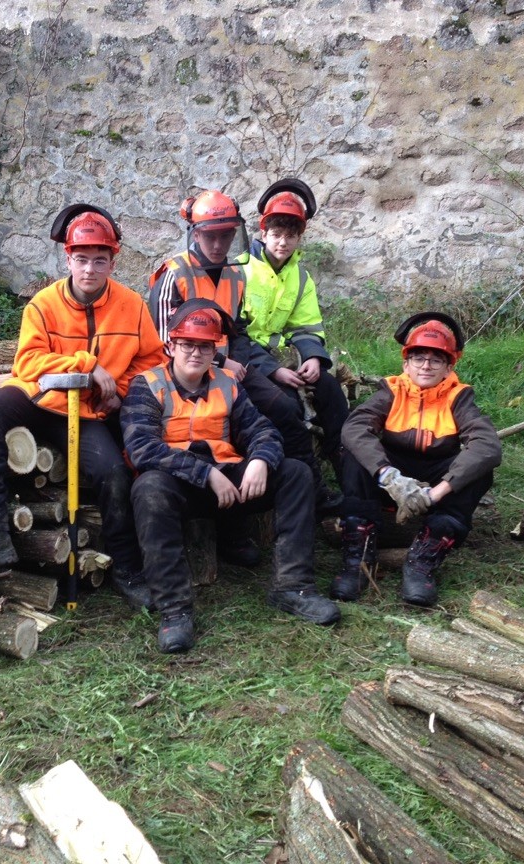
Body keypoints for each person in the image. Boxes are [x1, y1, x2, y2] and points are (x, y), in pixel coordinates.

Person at [0, 204, 165, 610]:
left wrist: (119, 388)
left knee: (113, 472)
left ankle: (128, 569)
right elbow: (28, 362)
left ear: (114, 260)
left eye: (100, 260)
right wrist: (87, 365)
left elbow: (152, 361)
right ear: (68, 259)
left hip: (88, 411)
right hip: (37, 398)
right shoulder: (43, 304)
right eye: (81, 260)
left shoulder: (132, 306)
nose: (90, 270)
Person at [123, 302, 341, 653]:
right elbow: (143, 449)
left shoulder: (227, 384)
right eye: (187, 344)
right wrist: (204, 473)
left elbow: (263, 430)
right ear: (172, 346)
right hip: (180, 486)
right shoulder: (146, 386)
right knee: (148, 488)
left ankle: (293, 586)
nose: (196, 352)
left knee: (296, 473)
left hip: (231, 480)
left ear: (215, 350)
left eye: (205, 346)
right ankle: (175, 610)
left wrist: (260, 461)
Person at [148, 189, 341, 535]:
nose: (219, 244)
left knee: (284, 409)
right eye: (211, 235)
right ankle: (232, 527)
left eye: (226, 235)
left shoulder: (236, 275)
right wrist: (219, 361)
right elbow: (163, 340)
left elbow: (237, 330)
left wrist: (233, 362)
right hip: (186, 371)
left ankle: (311, 491)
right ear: (195, 233)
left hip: (228, 367)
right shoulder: (173, 275)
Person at [336, 312, 501, 607]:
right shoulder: (393, 390)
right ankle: (358, 558)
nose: (426, 365)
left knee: (479, 470)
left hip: (436, 476)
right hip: (390, 476)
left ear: (449, 366)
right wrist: (389, 476)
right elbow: (355, 427)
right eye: (418, 358)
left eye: (436, 360)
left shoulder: (458, 397)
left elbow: (486, 445)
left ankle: (422, 560)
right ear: (406, 363)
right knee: (353, 455)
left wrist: (435, 492)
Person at [242, 178, 349, 492]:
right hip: (253, 363)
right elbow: (233, 334)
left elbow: (307, 326)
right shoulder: (240, 269)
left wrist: (315, 358)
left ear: (300, 237)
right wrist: (273, 371)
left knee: (329, 389)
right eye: (276, 235)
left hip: (286, 360)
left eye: (291, 236)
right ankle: (307, 484)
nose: (282, 243)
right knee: (287, 406)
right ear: (264, 234)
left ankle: (346, 467)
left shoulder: (301, 277)